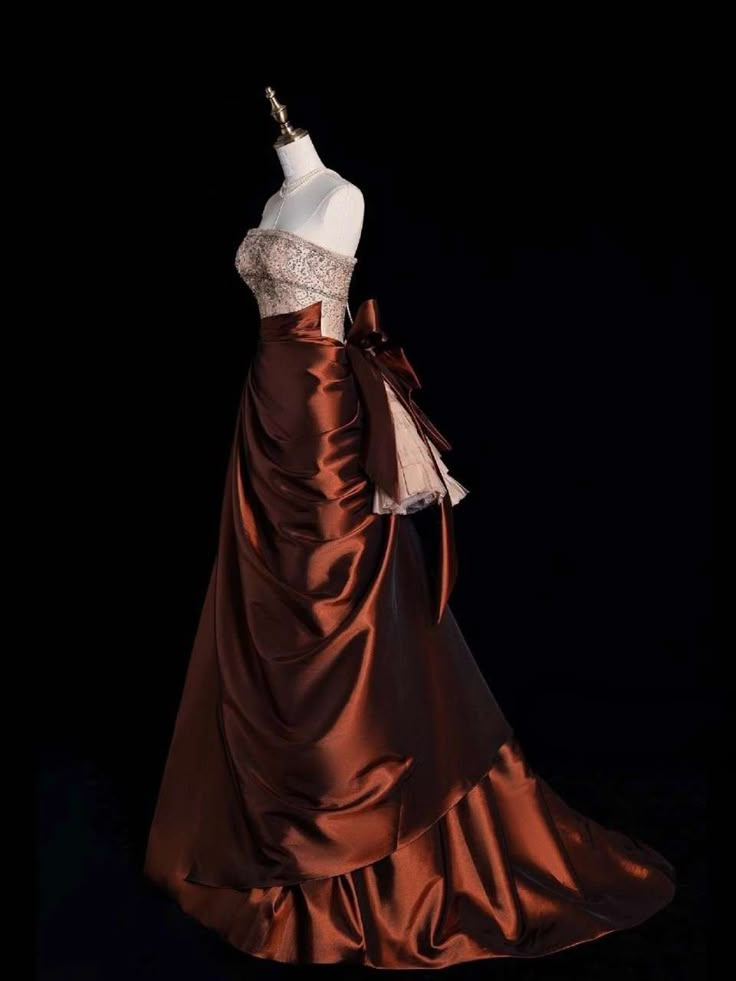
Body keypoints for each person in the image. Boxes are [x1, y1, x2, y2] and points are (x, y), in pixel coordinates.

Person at [143, 89, 675, 970]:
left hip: (320, 414)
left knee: (333, 607)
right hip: (264, 414)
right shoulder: (278, 197)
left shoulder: (338, 196)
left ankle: (355, 834)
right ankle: (280, 818)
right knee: (266, 606)